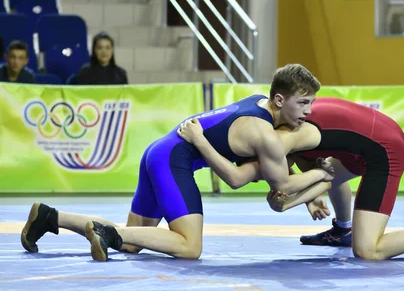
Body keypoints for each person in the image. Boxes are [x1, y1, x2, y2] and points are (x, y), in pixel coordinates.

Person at [20, 64, 333, 261]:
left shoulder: (257, 102)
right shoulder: (264, 133)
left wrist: (309, 196)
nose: (309, 111)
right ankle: (101, 230)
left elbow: (277, 164)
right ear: (280, 100)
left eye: (312, 103)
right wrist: (320, 175)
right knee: (188, 247)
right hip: (173, 161)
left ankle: (51, 217)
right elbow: (244, 180)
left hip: (158, 152)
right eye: (303, 102)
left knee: (131, 244)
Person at [179, 97, 404, 261]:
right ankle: (342, 229)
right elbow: (314, 170)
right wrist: (310, 194)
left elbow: (243, 181)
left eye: (260, 171)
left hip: (384, 151)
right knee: (325, 173)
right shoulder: (279, 125)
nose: (261, 176)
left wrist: (201, 141)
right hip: (367, 137)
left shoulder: (279, 143)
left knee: (369, 251)